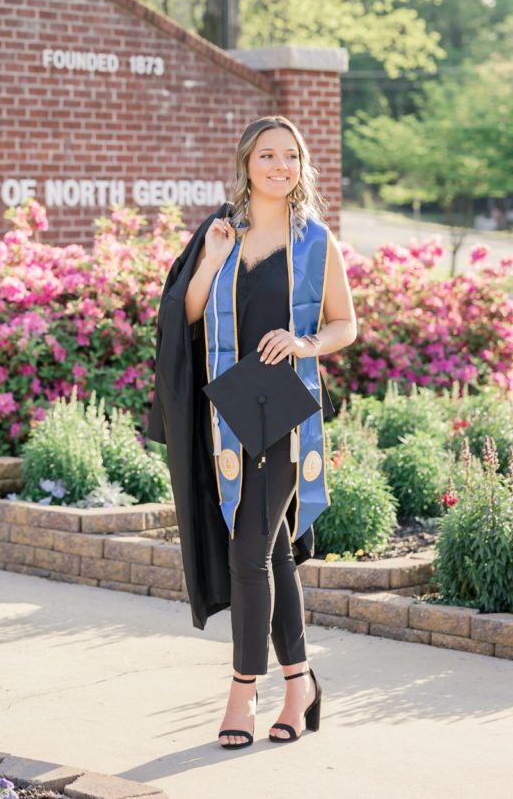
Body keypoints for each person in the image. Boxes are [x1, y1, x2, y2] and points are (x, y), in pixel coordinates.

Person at [147, 115, 357, 749]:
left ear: (301, 166)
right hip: (228, 415)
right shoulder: (220, 233)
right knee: (270, 554)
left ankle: (244, 689)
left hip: (288, 414)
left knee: (248, 550)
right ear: (246, 164)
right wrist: (210, 262)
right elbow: (181, 316)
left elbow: (345, 324)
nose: (278, 166)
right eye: (267, 155)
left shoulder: (317, 242)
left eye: (289, 156)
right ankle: (302, 685)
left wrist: (304, 341)